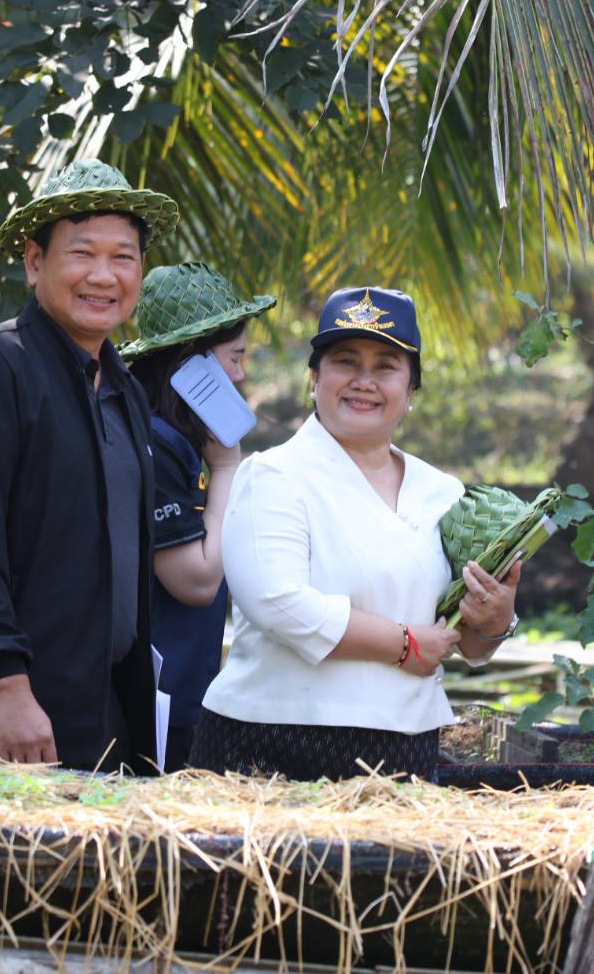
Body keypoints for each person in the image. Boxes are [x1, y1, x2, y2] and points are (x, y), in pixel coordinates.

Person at [0, 160, 178, 771]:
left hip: (99, 711)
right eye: (82, 253)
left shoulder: (126, 391)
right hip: (2, 720)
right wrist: (8, 687)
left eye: (124, 257)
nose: (103, 276)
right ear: (34, 262)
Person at [189, 287, 523, 782]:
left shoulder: (443, 493)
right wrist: (405, 644)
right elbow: (278, 604)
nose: (364, 381)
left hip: (407, 746)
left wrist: (494, 621)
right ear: (315, 378)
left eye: (386, 366)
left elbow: (462, 639)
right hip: (274, 741)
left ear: (411, 390)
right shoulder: (273, 476)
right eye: (346, 361)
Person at [121, 263, 276, 770]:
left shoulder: (179, 441)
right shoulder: (158, 446)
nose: (240, 374)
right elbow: (198, 581)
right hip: (157, 696)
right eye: (234, 357)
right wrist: (229, 466)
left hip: (183, 688)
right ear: (194, 364)